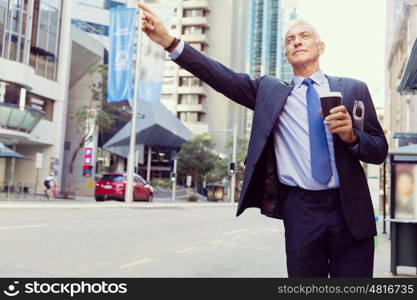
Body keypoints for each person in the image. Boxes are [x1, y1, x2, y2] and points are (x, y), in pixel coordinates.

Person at [138, 4, 388, 277]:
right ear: (286, 53)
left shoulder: (353, 89)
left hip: (350, 208)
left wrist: (351, 136)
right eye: (290, 40)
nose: (297, 41)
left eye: (304, 36)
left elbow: (378, 150)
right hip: (301, 210)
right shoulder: (269, 92)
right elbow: (220, 76)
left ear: (321, 47)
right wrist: (169, 42)